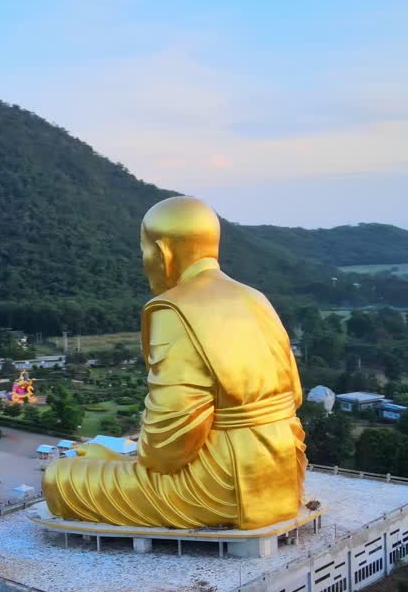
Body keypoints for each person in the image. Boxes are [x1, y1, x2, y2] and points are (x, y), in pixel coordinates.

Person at [42, 196, 306, 530]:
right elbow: (295, 395)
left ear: (162, 253)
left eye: (144, 251)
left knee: (60, 476)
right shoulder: (255, 297)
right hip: (284, 472)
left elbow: (168, 447)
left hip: (222, 486)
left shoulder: (174, 308)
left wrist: (123, 463)